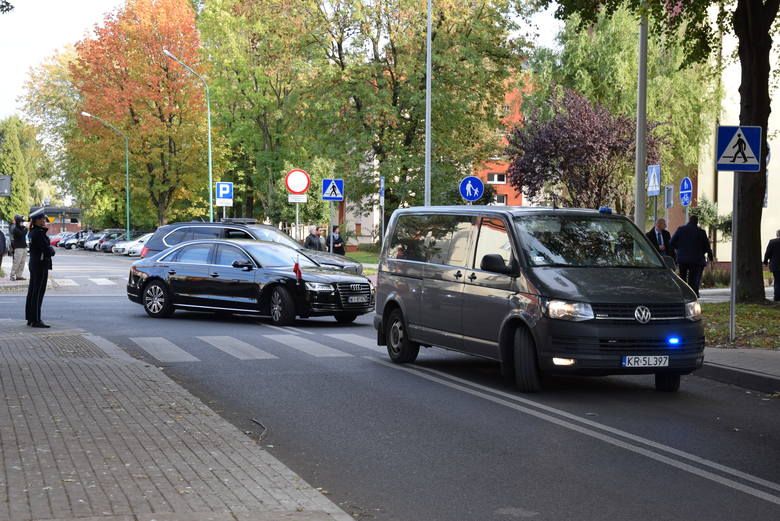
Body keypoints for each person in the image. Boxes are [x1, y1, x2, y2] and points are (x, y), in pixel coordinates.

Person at [25, 209, 55, 328]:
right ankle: (36, 320)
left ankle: (30, 317)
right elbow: (46, 249)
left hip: (34, 263)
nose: (44, 220)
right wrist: (52, 250)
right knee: (38, 292)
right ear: (37, 220)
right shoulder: (38, 233)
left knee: (32, 291)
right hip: (40, 264)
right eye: (42, 219)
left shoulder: (32, 232)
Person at [670, 215, 713, 297]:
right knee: (694, 278)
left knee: (682, 277)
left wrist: (679, 249)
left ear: (689, 221)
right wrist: (710, 257)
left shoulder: (681, 230)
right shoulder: (701, 232)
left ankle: (683, 293)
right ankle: (694, 293)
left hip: (683, 259)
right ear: (697, 222)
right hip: (697, 259)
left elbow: (671, 242)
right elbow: (707, 246)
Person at [764, 229, 780, 302]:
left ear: (777, 234)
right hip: (775, 265)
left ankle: (777, 297)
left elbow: (767, 253)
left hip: (775, 265)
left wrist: (765, 262)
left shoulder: (772, 242)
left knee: (777, 281)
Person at [10, 214, 27, 281]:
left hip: (24, 247)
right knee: (17, 262)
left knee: (22, 262)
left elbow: (24, 231)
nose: (22, 222)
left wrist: (26, 227)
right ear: (18, 221)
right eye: (21, 221)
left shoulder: (21, 228)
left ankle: (19, 276)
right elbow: (22, 234)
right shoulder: (15, 229)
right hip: (18, 248)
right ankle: (12, 275)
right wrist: (26, 228)